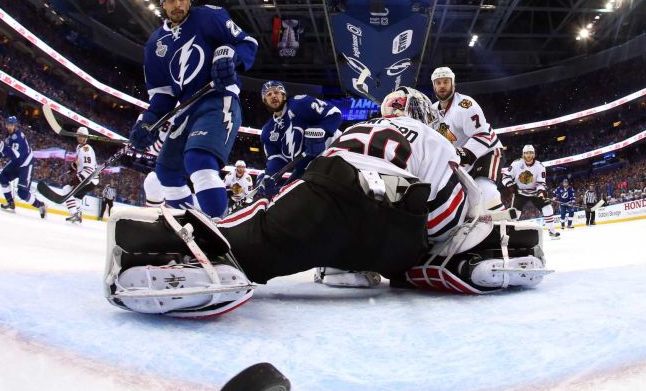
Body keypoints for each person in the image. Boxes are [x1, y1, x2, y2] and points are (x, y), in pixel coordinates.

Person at [104, 87, 546, 317]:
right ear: (427, 114)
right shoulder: (438, 139)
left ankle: (156, 248)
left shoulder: (363, 129)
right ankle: (359, 264)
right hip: (402, 232)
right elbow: (446, 218)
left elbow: (327, 175)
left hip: (336, 192)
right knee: (425, 245)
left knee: (249, 238)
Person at [127, 0, 258, 218]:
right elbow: (163, 97)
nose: (177, 4)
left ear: (190, 1)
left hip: (218, 99)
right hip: (185, 109)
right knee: (166, 172)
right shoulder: (155, 44)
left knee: (198, 160)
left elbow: (248, 44)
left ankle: (221, 229)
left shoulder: (209, 16)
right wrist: (147, 121)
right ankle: (195, 230)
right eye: (171, 0)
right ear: (163, 4)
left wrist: (230, 56)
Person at [430, 67, 504, 213]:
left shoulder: (466, 105)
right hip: (461, 161)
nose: (442, 86)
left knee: (485, 190)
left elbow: (482, 135)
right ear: (434, 86)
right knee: (467, 203)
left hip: (487, 152)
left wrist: (460, 156)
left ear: (453, 84)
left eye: (446, 82)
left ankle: (505, 228)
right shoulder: (431, 111)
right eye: (438, 83)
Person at [258, 80, 342, 197]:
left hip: (334, 151)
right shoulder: (267, 130)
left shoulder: (300, 103)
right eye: (268, 94)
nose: (273, 96)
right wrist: (269, 176)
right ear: (265, 101)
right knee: (283, 199)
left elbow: (335, 114)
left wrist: (322, 131)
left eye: (276, 92)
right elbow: (277, 158)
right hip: (307, 166)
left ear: (283, 95)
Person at [0, 115, 46, 218]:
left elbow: (15, 154)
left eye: (11, 125)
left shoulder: (18, 137)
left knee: (22, 193)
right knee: (2, 178)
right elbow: (9, 149)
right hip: (17, 162)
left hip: (25, 165)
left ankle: (41, 205)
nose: (9, 126)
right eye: (8, 124)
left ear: (15, 125)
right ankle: (10, 203)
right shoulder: (9, 135)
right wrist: (0, 154)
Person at [502, 145, 560, 239]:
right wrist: (511, 186)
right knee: (514, 214)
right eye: (526, 153)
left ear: (534, 154)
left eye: (530, 153)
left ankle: (552, 232)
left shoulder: (540, 166)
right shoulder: (516, 164)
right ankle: (510, 234)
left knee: (548, 208)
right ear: (523, 154)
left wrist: (541, 192)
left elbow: (541, 183)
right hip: (520, 193)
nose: (528, 155)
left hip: (534, 193)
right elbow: (505, 177)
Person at [64, 127, 98, 223]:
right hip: (91, 179)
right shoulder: (79, 147)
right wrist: (73, 166)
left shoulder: (86, 149)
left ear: (86, 137)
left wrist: (79, 178)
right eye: (78, 135)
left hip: (89, 179)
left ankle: (74, 214)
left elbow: (90, 169)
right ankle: (78, 214)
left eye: (82, 136)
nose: (79, 137)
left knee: (66, 189)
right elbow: (80, 162)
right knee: (77, 198)